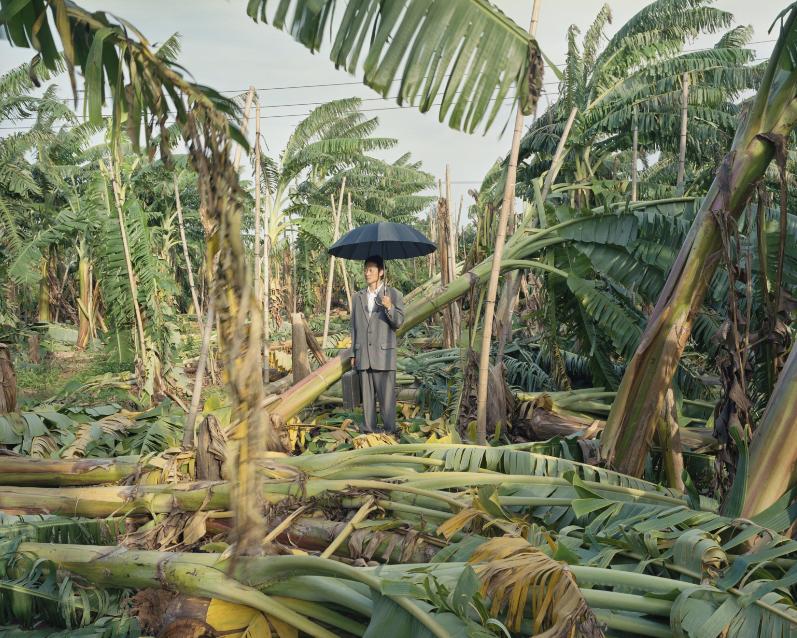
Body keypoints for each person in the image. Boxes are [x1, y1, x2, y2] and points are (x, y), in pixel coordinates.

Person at [350, 255, 404, 433]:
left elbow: (398, 322)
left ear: (381, 272)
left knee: (387, 399)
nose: (367, 273)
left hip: (384, 355)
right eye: (365, 269)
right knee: (367, 398)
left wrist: (389, 307)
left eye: (371, 269)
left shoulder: (394, 294)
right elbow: (354, 326)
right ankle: (368, 430)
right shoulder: (357, 297)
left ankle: (390, 432)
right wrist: (353, 353)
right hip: (363, 355)